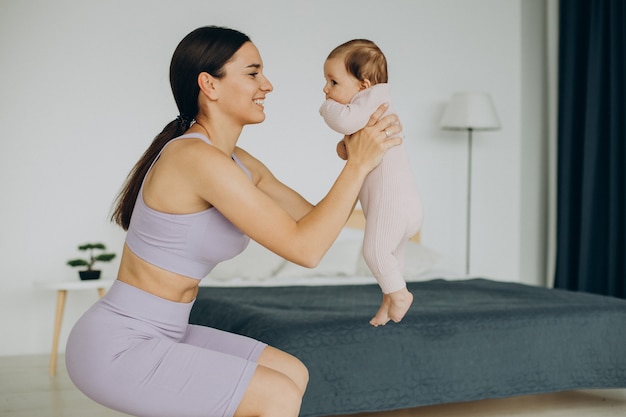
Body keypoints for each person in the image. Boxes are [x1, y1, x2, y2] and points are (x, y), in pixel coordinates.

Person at [64, 26, 402, 417]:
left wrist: (381, 187)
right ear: (210, 84)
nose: (268, 85)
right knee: (274, 395)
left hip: (168, 329)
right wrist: (358, 164)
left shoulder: (238, 162)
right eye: (253, 72)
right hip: (117, 345)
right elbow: (307, 249)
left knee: (291, 373)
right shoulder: (195, 159)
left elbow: (314, 220)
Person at [319, 39, 423, 327]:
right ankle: (388, 305)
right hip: (406, 206)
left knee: (374, 252)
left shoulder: (372, 101)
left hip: (393, 204)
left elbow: (343, 123)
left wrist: (326, 108)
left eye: (333, 82)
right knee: (391, 261)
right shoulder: (371, 110)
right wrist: (346, 149)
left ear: (363, 86)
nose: (326, 89)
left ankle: (400, 296)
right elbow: (351, 148)